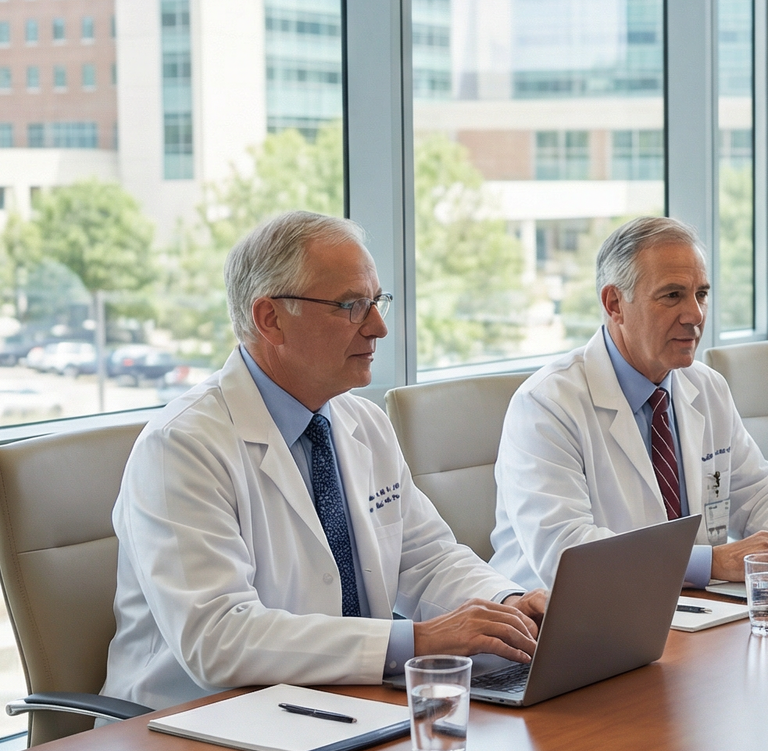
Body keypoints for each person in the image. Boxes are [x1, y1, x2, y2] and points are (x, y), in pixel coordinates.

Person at [103, 212, 547, 712]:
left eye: (376, 302)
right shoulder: (181, 446)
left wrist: (510, 607)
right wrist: (419, 641)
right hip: (194, 722)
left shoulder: (362, 422)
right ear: (270, 319)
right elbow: (219, 638)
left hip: (338, 704)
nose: (378, 327)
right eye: (351, 306)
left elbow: (427, 559)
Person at [491, 216, 768, 591]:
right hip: (570, 615)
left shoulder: (705, 387)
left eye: (701, 294)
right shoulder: (546, 404)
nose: (695, 315)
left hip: (693, 608)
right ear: (615, 304)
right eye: (672, 295)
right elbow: (567, 553)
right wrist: (712, 562)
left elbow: (756, 493)